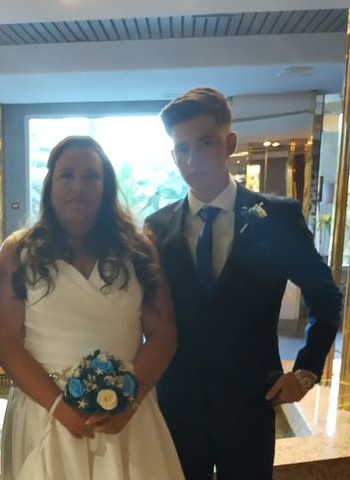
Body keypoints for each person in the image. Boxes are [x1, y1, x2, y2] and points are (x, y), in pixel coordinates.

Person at [145, 87, 342, 480]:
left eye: (205, 143)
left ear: (229, 143)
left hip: (251, 401)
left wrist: (305, 370)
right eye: (181, 149)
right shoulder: (157, 227)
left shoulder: (277, 216)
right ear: (172, 155)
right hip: (177, 405)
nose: (192, 159)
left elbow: (325, 296)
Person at [0, 135, 184, 479]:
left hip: (125, 416)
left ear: (105, 185)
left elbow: (163, 333)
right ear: (51, 184)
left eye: (91, 176)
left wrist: (130, 401)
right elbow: (4, 340)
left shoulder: (139, 250)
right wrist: (58, 408)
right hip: (43, 413)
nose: (78, 186)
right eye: (67, 175)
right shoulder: (18, 251)